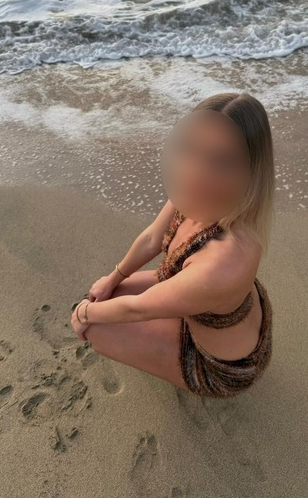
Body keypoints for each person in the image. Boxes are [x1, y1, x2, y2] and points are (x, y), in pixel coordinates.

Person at [71, 92, 275, 399]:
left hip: (220, 367)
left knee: (96, 328)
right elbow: (152, 238)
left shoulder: (224, 258)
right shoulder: (198, 193)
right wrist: (113, 277)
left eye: (222, 162)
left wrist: (84, 315)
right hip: (209, 307)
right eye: (193, 150)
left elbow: (138, 309)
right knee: (106, 296)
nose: (197, 172)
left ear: (251, 169)